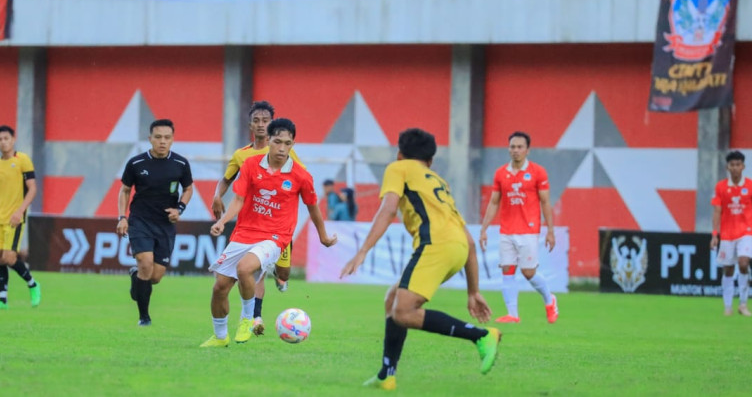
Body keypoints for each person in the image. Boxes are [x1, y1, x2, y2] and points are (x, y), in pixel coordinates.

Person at [340, 128, 500, 389]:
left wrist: (362, 250)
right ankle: (386, 375)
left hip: (435, 244)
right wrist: (473, 291)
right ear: (431, 160)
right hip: (458, 247)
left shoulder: (398, 168)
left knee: (403, 312)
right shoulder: (438, 181)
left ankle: (481, 336)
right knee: (393, 299)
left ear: (400, 154)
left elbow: (388, 208)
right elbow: (469, 241)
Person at [202, 118, 337, 347]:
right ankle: (220, 337)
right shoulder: (251, 165)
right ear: (269, 141)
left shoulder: (301, 176)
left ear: (293, 144)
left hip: (275, 237)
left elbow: (313, 207)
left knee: (244, 269)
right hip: (244, 233)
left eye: (288, 143)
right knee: (220, 287)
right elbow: (238, 199)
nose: (282, 148)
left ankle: (247, 319)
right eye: (278, 142)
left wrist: (323, 236)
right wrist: (223, 221)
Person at [211, 101, 304, 335]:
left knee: (282, 275)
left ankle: (273, 283)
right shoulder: (242, 156)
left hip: (276, 228)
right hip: (250, 226)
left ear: (272, 124)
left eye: (265, 121)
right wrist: (216, 196)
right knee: (251, 271)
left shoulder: (284, 150)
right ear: (250, 124)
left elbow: (300, 179)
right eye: (257, 121)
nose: (261, 125)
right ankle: (255, 317)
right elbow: (227, 179)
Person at [117, 119, 193, 326]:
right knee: (145, 263)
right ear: (150, 139)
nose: (162, 141)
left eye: (167, 138)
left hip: (165, 224)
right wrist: (122, 217)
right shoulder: (136, 163)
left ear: (172, 140)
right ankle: (144, 317)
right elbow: (125, 190)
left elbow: (188, 189)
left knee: (155, 276)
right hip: (140, 221)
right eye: (158, 137)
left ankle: (137, 278)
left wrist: (180, 209)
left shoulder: (180, 163)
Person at [479, 131, 557, 324]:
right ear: (508, 149)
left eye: (520, 147)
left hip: (529, 230)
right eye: (512, 147)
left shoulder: (538, 172)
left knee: (528, 272)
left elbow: (545, 202)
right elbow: (494, 202)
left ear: (527, 150)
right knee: (507, 270)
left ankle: (549, 299)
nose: (515, 150)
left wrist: (550, 230)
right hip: (506, 230)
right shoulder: (500, 173)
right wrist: (484, 229)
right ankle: (513, 315)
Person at [0, 125, 41, 310]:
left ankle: (33, 284)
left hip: (14, 218)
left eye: (6, 138)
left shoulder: (22, 160)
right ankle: (2, 301)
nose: (3, 142)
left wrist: (20, 211)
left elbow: (32, 188)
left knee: (10, 258)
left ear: (13, 139)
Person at [710, 151, 752, 317]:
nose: (735, 168)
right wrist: (714, 234)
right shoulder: (720, 187)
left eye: (738, 165)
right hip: (727, 233)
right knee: (728, 269)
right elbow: (717, 211)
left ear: (743, 166)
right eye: (732, 165)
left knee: (743, 263)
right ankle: (728, 306)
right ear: (728, 167)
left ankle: (743, 303)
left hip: (747, 231)